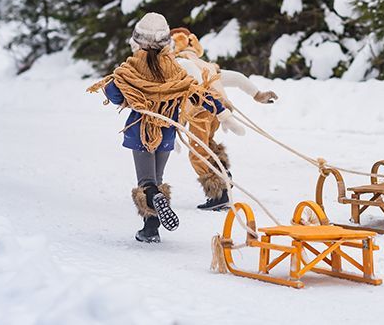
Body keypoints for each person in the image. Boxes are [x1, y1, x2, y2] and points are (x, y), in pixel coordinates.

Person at [88, 13, 244, 243]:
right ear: (165, 41)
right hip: (166, 132)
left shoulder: (132, 68)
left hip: (141, 131)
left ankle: (151, 222)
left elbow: (113, 90)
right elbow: (198, 92)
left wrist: (130, 97)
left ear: (138, 40)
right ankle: (152, 224)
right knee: (158, 177)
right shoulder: (174, 68)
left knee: (146, 182)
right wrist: (223, 113)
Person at [170, 27, 278, 211]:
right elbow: (236, 77)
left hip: (200, 110)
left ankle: (218, 193)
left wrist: (176, 126)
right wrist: (257, 94)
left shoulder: (180, 63)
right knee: (208, 144)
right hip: (217, 112)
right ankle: (222, 173)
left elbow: (190, 92)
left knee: (198, 152)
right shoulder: (207, 65)